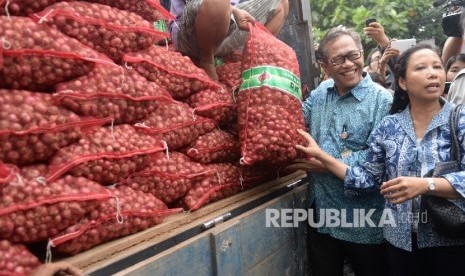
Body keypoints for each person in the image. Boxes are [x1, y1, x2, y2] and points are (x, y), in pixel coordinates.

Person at [295, 43, 465, 276]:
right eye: (421, 68)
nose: (432, 73)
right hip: (400, 242)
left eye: (437, 66)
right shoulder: (389, 127)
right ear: (402, 82)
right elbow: (366, 178)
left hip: (450, 238)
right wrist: (322, 157)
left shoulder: (459, 120)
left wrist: (426, 185)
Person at [289, 25, 393, 276]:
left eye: (354, 55)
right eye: (338, 59)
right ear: (325, 66)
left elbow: (378, 159)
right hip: (322, 215)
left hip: (364, 221)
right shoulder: (319, 95)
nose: (348, 64)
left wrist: (324, 162)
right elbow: (294, 124)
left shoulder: (382, 100)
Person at [168, 0, 289, 80]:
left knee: (281, 3)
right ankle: (206, 61)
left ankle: (255, 65)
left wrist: (237, 11)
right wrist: (235, 10)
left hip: (223, 29)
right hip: (188, 35)